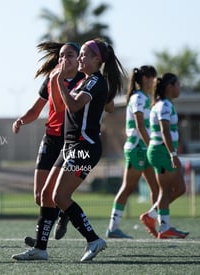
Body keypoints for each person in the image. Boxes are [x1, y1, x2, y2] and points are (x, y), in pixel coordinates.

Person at [13, 38, 126, 262]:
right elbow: (62, 104)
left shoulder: (95, 81)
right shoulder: (84, 81)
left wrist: (58, 81)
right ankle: (40, 248)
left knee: (60, 196)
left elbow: (73, 106)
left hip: (85, 147)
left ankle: (93, 239)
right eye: (80, 54)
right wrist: (58, 82)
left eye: (84, 54)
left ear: (97, 59)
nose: (80, 57)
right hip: (70, 146)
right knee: (46, 195)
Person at [12, 41, 84, 247]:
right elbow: (35, 111)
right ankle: (62, 213)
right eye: (61, 55)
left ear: (79, 59)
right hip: (51, 139)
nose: (64, 59)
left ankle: (41, 240)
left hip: (70, 141)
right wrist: (21, 120)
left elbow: (67, 107)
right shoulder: (51, 77)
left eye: (69, 55)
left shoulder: (84, 80)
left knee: (52, 194)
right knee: (39, 196)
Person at [106, 66, 159, 238]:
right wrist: (151, 146)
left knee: (157, 189)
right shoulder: (138, 98)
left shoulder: (145, 98)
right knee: (128, 188)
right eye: (153, 78)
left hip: (145, 148)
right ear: (145, 79)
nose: (155, 82)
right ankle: (113, 228)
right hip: (138, 148)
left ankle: (157, 225)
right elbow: (139, 125)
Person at [146, 73, 188, 239]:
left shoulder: (165, 104)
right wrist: (173, 153)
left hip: (162, 151)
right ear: (170, 87)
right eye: (178, 84)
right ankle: (164, 227)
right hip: (162, 152)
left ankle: (151, 216)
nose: (180, 87)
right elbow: (164, 131)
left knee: (180, 188)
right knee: (165, 190)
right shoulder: (163, 105)